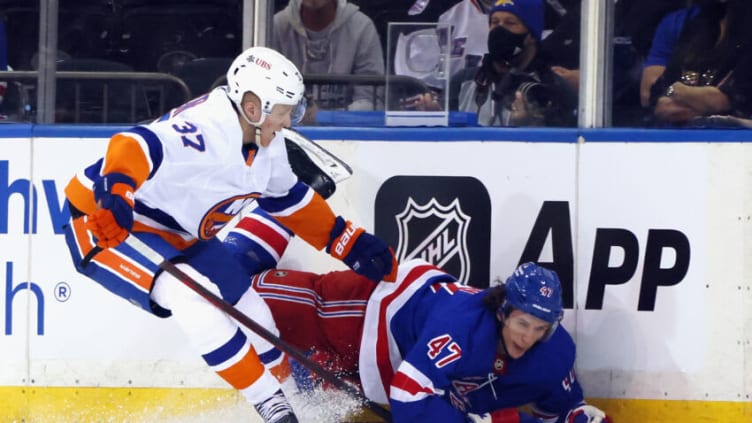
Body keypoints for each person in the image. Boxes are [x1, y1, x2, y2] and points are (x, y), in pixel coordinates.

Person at [61, 46, 397, 423]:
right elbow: (133, 144)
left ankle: (294, 401)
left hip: (176, 228)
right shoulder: (207, 129)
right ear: (253, 108)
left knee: (250, 307)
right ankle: (275, 409)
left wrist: (348, 242)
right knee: (189, 295)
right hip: (105, 218)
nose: (288, 122)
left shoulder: (269, 146)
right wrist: (117, 195)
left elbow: (290, 200)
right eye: (284, 111)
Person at [221, 210, 612, 423]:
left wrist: (582, 417)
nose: (527, 337)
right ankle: (269, 208)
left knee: (315, 397)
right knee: (237, 292)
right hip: (372, 308)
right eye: (522, 323)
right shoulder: (464, 324)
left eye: (539, 329)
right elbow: (409, 393)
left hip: (384, 365)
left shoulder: (554, 354)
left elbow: (563, 410)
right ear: (504, 310)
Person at [272, 0, 385, 118]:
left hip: (347, 133)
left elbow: (371, 104)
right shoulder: (274, 27)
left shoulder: (362, 28)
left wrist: (323, 116)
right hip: (286, 131)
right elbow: (264, 99)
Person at [648, 0, 752, 127]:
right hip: (682, 136)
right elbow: (659, 92)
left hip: (737, 140)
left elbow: (730, 100)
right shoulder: (697, 26)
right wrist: (669, 95)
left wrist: (680, 92)